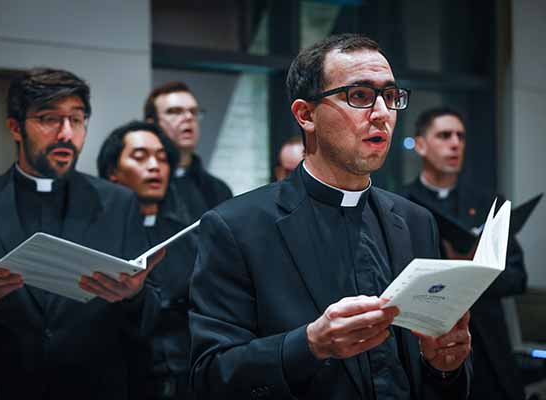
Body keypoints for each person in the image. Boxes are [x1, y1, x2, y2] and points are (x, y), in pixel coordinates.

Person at [189, 33, 472, 400]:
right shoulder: (237, 226)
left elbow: (423, 373)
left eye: (390, 96)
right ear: (306, 115)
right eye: (360, 96)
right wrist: (309, 344)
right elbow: (209, 375)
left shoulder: (416, 221)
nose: (383, 114)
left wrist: (444, 367)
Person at [0, 68, 162, 400]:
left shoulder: (119, 204)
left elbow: (152, 315)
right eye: (49, 119)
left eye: (77, 120)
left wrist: (134, 295)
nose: (66, 133)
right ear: (15, 128)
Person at [402, 106, 527, 400]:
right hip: (426, 347)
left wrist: (474, 270)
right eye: (444, 136)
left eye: (460, 136)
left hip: (488, 346)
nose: (455, 143)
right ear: (420, 145)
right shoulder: (400, 206)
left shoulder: (489, 204)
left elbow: (518, 278)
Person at [98, 121, 197, 400]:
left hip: (186, 378)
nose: (155, 166)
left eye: (162, 158)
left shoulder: (187, 234)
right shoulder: (98, 233)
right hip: (121, 379)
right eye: (140, 157)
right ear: (113, 172)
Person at [143, 81, 232, 221]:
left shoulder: (218, 189)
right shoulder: (143, 183)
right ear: (151, 123)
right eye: (175, 111)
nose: (188, 117)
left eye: (194, 112)